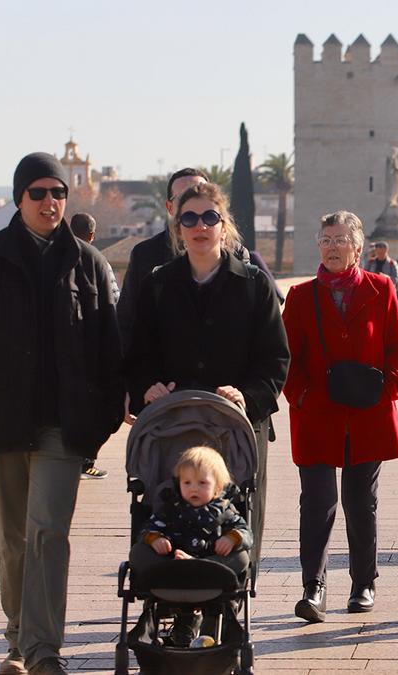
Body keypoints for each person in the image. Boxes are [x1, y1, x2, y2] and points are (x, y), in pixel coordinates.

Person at [0, 152, 124, 675]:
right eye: (39, 193)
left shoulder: (88, 262)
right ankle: (18, 639)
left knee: (48, 530)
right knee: (14, 539)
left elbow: (109, 352)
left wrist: (99, 421)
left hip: (63, 427)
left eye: (58, 193)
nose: (51, 202)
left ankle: (44, 650)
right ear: (20, 198)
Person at [123, 181, 290, 570]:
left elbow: (275, 358)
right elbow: (138, 352)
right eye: (190, 218)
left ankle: (232, 590)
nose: (200, 226)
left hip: (237, 423)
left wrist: (246, 395)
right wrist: (147, 386)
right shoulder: (159, 284)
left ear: (223, 225)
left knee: (241, 510)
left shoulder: (253, 284)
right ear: (178, 227)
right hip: (173, 420)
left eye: (209, 217)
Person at [282, 211, 398, 621]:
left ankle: (363, 582)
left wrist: (388, 387)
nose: (333, 246)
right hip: (317, 414)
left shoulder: (381, 288)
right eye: (325, 239)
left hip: (367, 413)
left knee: (361, 502)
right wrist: (302, 396)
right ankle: (314, 586)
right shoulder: (302, 296)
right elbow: (285, 356)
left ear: (358, 248)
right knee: (318, 501)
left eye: (341, 240)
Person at [118, 168, 274, 351]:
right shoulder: (145, 256)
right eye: (184, 196)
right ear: (170, 208)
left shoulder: (238, 256)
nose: (194, 200)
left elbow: (266, 346)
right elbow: (127, 322)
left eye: (201, 192)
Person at [128, 446, 252, 646]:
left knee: (242, 557)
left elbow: (246, 533)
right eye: (187, 483)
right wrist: (155, 539)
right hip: (172, 569)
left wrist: (232, 538)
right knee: (138, 552)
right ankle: (182, 621)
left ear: (218, 487)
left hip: (212, 571)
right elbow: (148, 529)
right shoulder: (170, 508)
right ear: (178, 483)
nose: (193, 488)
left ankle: (197, 565)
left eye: (202, 483)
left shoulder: (225, 511)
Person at [69, 212, 117, 481]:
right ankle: (85, 459)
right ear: (92, 235)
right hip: (94, 348)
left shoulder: (53, 258)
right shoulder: (100, 262)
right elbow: (115, 302)